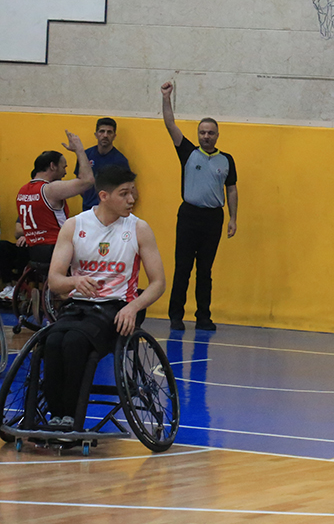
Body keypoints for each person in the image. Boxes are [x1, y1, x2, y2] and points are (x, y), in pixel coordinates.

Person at [45, 166, 166, 430]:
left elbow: (158, 283)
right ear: (104, 196)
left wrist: (133, 307)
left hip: (118, 306)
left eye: (132, 192)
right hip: (79, 305)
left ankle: (70, 417)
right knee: (52, 341)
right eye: (124, 194)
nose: (131, 199)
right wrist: (74, 281)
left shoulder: (139, 229)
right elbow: (54, 280)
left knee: (75, 342)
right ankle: (55, 415)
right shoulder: (74, 225)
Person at [160, 80, 238, 331]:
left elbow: (231, 189)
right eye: (202, 132)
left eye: (210, 133)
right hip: (189, 216)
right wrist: (166, 97)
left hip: (213, 218)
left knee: (205, 270)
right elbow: (170, 124)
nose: (206, 136)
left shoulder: (226, 160)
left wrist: (233, 218)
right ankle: (176, 316)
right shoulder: (188, 152)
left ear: (217, 135)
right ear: (197, 134)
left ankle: (203, 317)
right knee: (183, 268)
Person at [16, 131, 95, 267]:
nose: (65, 172)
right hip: (57, 250)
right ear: (53, 166)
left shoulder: (22, 191)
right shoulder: (50, 190)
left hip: (34, 253)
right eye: (64, 167)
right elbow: (88, 181)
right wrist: (79, 150)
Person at [75, 117, 131, 212]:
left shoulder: (120, 160)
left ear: (114, 136)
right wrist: (89, 198)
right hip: (87, 210)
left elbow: (127, 188)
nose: (105, 135)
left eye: (109, 132)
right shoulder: (85, 155)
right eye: (102, 131)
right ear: (96, 134)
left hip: (109, 211)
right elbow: (79, 181)